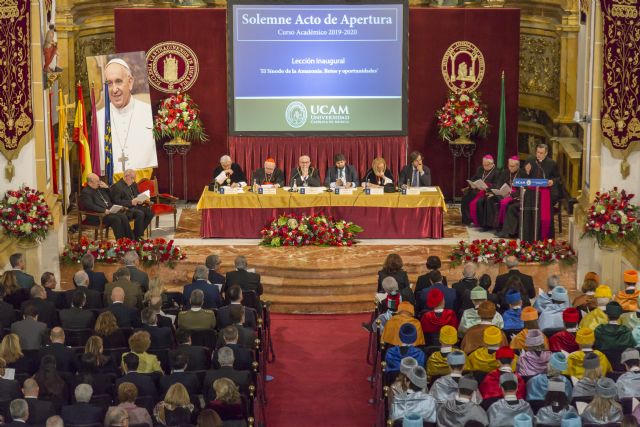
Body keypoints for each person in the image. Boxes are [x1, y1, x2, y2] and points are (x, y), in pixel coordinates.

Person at [97, 57, 157, 174]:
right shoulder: (98, 118)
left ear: (130, 82)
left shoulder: (148, 113)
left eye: (118, 81)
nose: (114, 89)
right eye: (109, 83)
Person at [501, 143, 561, 241]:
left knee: (543, 217)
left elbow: (557, 178)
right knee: (528, 214)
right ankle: (528, 236)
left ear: (546, 153)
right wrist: (526, 172)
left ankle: (542, 237)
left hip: (544, 193)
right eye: (537, 152)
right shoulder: (530, 160)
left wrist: (552, 181)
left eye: (541, 153)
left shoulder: (552, 163)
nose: (538, 155)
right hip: (531, 193)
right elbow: (524, 176)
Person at [80, 173, 134, 240]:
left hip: (107, 213)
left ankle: (130, 239)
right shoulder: (86, 192)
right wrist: (103, 210)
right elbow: (90, 205)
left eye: (99, 180)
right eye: (97, 181)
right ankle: (121, 241)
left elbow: (111, 197)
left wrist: (107, 188)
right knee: (116, 219)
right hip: (96, 216)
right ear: (90, 183)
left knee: (123, 216)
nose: (99, 183)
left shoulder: (99, 188)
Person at [479, 156, 522, 230]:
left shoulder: (522, 174)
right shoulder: (506, 172)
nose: (510, 168)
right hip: (503, 194)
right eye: (509, 165)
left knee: (505, 204)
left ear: (517, 166)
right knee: (490, 199)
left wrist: (511, 194)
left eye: (512, 166)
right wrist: (496, 192)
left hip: (514, 196)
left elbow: (522, 189)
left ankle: (500, 226)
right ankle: (489, 225)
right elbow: (499, 184)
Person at [110, 169, 154, 240]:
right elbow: (116, 202)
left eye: (134, 178)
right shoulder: (117, 186)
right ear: (126, 176)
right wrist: (130, 202)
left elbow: (137, 195)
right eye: (132, 178)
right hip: (126, 209)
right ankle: (138, 236)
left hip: (136, 206)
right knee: (140, 214)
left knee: (150, 213)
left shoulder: (133, 184)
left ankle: (135, 234)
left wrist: (140, 200)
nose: (134, 180)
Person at [460, 154, 499, 226]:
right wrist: (472, 184)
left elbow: (497, 184)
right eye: (483, 164)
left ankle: (478, 222)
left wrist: (487, 186)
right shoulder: (480, 169)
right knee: (465, 198)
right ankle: (467, 220)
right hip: (476, 190)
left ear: (491, 164)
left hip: (486, 192)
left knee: (479, 202)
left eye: (486, 165)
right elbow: (474, 178)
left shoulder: (497, 172)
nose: (484, 167)